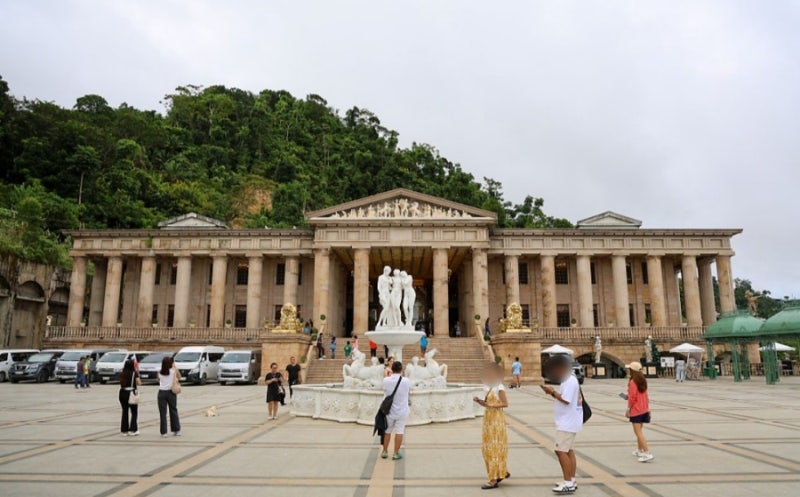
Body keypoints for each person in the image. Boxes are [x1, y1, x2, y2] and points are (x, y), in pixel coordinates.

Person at [540, 355, 583, 494]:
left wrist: (551, 391)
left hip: (567, 423)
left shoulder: (569, 381)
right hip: (569, 421)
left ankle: (568, 483)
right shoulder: (569, 380)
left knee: (560, 451)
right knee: (568, 450)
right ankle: (571, 479)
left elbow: (566, 400)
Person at [473, 363, 510, 489]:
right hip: (488, 420)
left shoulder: (499, 387)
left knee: (494, 448)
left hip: (496, 421)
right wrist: (480, 401)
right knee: (487, 448)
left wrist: (491, 406)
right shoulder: (489, 387)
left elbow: (505, 404)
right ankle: (501, 471)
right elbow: (488, 404)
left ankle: (493, 479)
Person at [381, 361, 411, 460]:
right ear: (401, 370)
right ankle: (395, 453)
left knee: (387, 431)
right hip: (402, 411)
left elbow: (385, 390)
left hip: (389, 411)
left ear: (391, 369)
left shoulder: (386, 380)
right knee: (399, 431)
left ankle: (385, 451)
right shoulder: (406, 381)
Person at [626, 362, 654, 462]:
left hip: (636, 410)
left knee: (638, 432)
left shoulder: (633, 382)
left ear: (632, 371)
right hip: (644, 409)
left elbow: (632, 398)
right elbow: (644, 396)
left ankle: (647, 452)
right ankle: (640, 450)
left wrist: (628, 409)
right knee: (639, 431)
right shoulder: (643, 381)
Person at [157, 357, 181, 437]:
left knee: (163, 413)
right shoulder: (173, 371)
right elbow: (179, 377)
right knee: (173, 410)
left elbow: (158, 380)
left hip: (161, 392)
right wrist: (175, 367)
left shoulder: (159, 372)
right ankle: (176, 430)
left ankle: (164, 432)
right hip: (171, 392)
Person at [119, 359, 141, 436]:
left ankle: (124, 431)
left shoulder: (122, 373)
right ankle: (133, 429)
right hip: (131, 393)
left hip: (122, 392)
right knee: (134, 412)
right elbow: (139, 383)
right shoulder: (134, 373)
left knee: (125, 411)